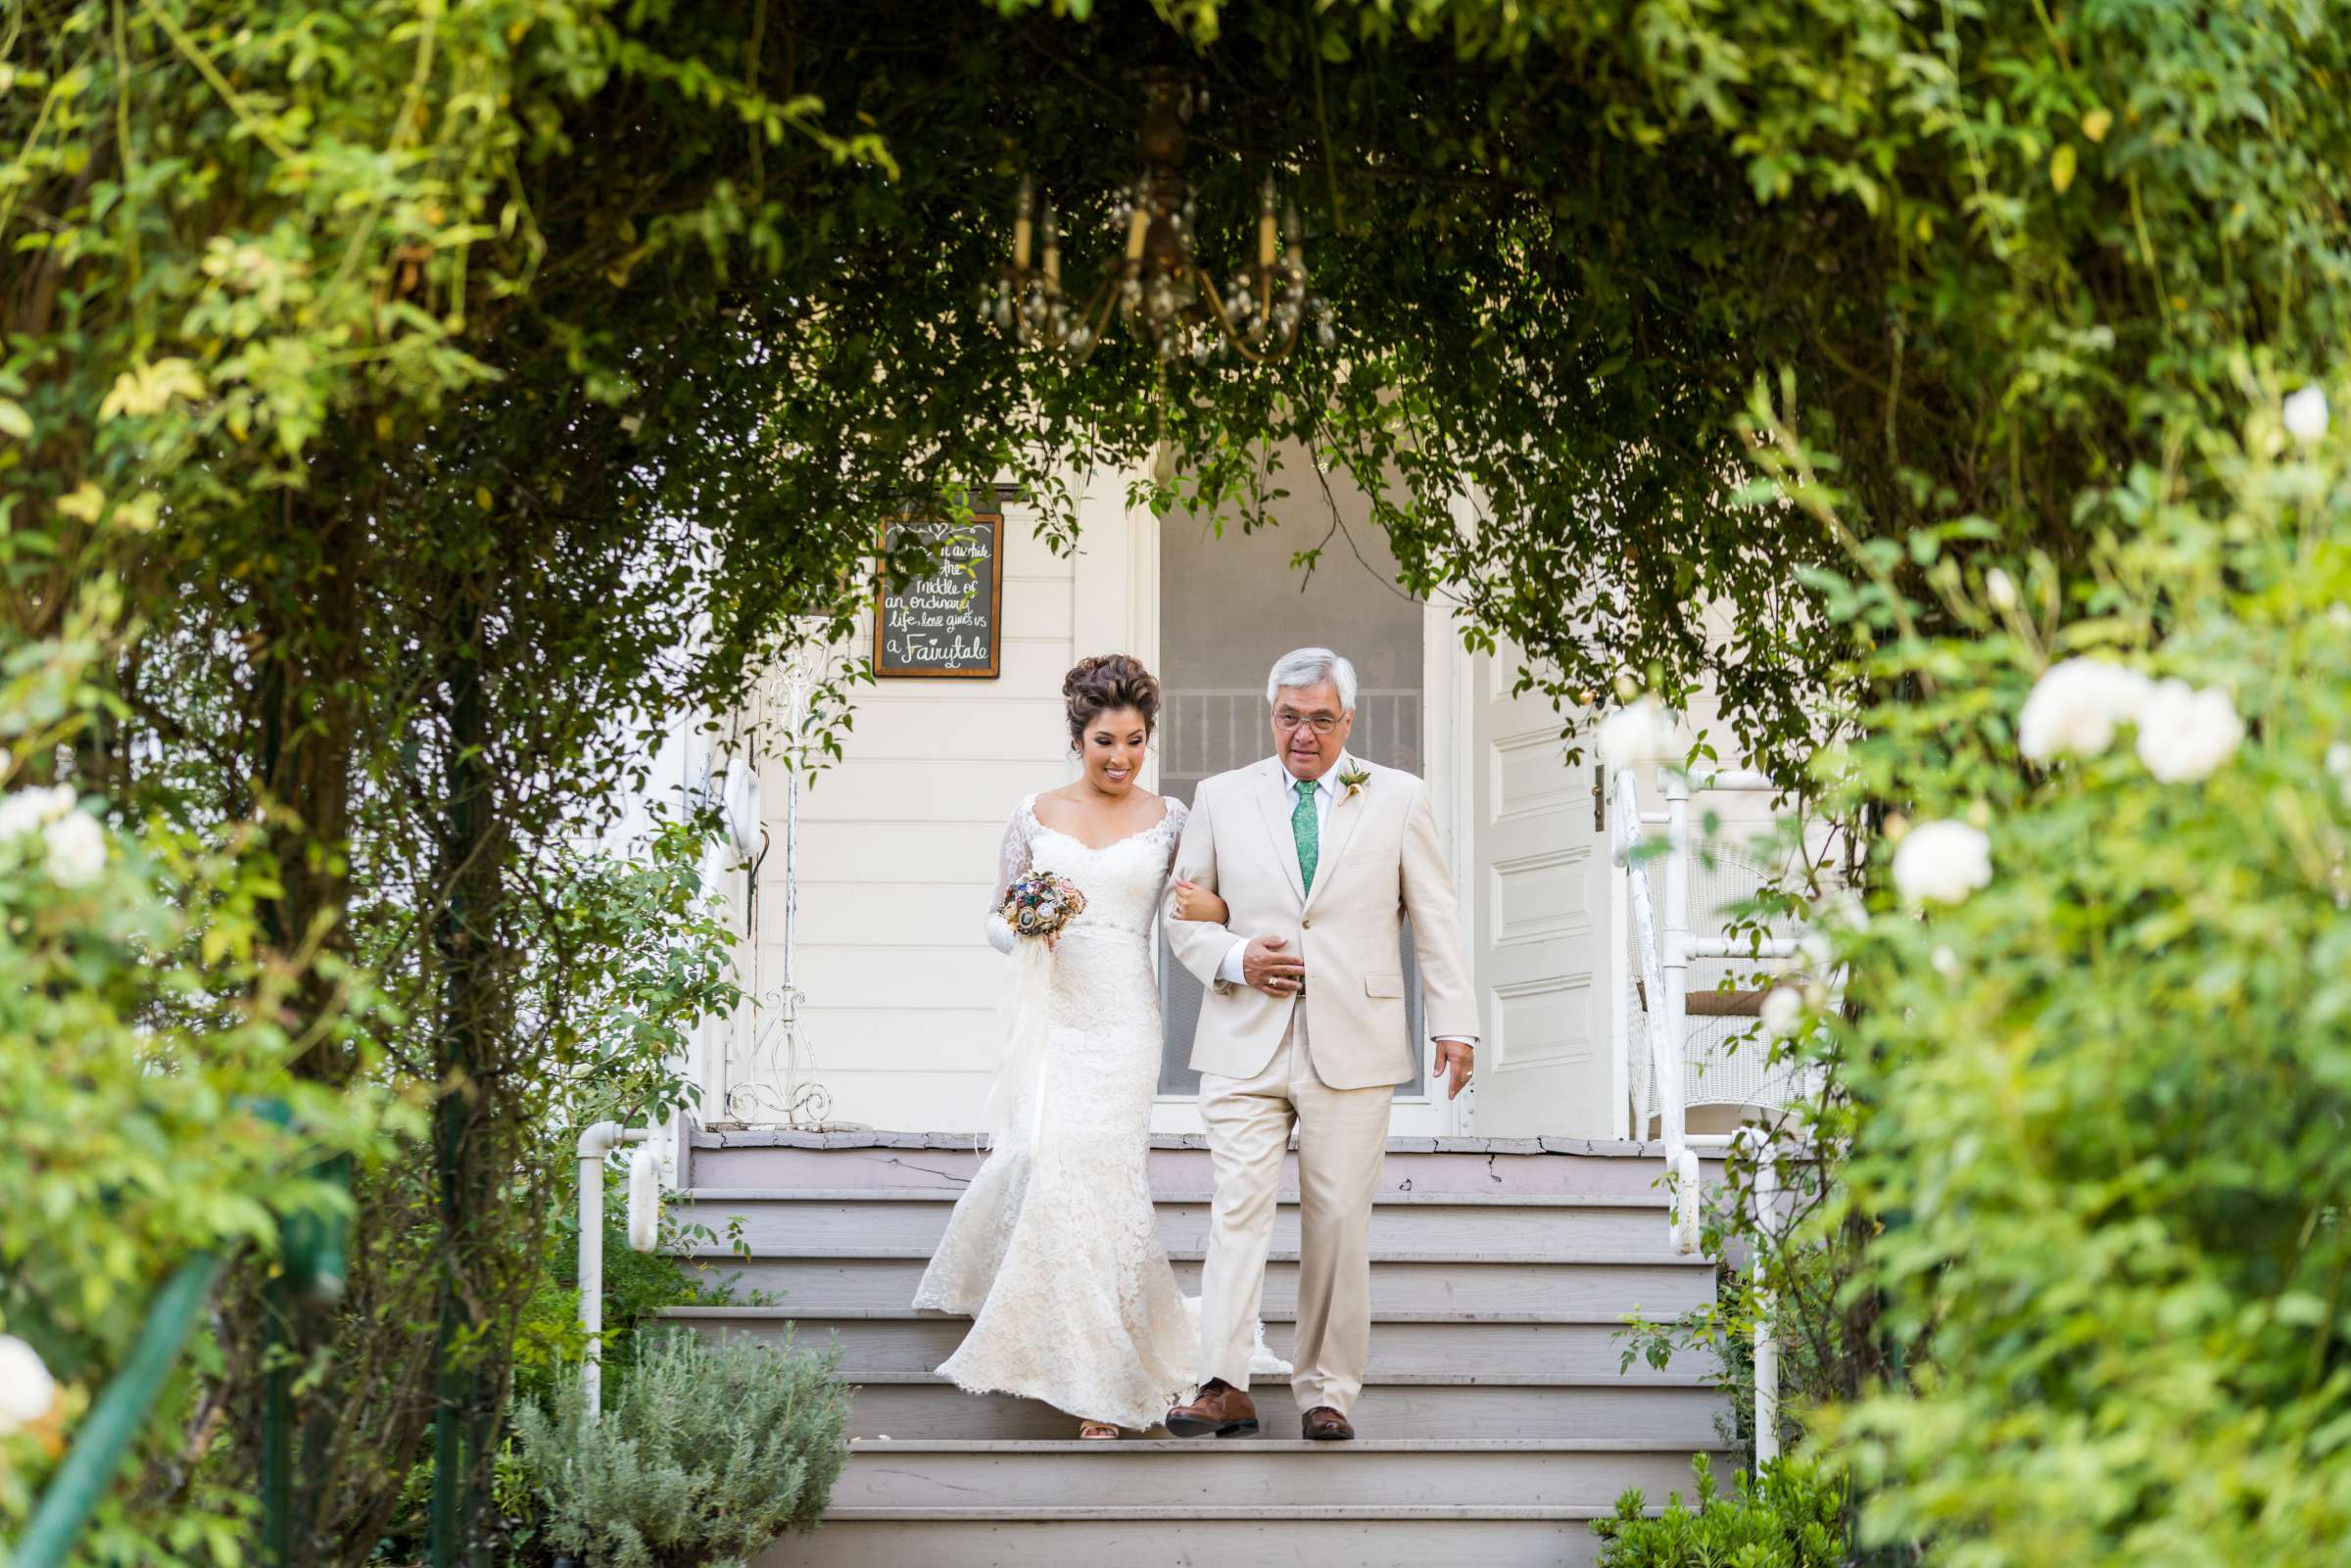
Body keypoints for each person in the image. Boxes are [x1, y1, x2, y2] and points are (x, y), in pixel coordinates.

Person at [1162, 646, 1478, 1442]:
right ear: (1272, 715)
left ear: (1348, 719)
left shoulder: (1400, 798)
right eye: (1289, 717)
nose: (1303, 734)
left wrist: (1456, 1022)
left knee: (1338, 1219)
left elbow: (1434, 919)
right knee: (1238, 1207)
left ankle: (1326, 1390)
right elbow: (1182, 916)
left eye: (1321, 719)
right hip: (1243, 1039)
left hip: (1356, 1039)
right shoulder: (1220, 796)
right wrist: (1236, 956)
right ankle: (1222, 1382)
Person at [913, 654, 1212, 1440]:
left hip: (1125, 1023)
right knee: (1049, 1163)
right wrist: (1023, 930)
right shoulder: (1033, 814)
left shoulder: (1172, 818)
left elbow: (1193, 914)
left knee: (1103, 1183)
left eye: (1136, 740)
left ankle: (1100, 1388)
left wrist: (1216, 906)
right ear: (1078, 735)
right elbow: (993, 916)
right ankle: (1076, 1359)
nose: (1121, 757)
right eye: (1105, 739)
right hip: (1056, 1015)